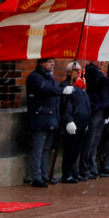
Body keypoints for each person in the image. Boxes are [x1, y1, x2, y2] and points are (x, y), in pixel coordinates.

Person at [26, 58, 73, 187]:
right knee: (38, 149)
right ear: (41, 63)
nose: (53, 64)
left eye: (53, 61)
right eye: (49, 62)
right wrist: (61, 91)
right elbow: (44, 89)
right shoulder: (34, 77)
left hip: (50, 119)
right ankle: (36, 176)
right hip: (39, 119)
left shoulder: (52, 78)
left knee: (46, 149)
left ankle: (45, 175)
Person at [82, 60, 109, 180]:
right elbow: (105, 81)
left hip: (102, 111)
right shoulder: (91, 71)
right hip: (95, 110)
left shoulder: (98, 72)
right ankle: (87, 168)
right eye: (99, 60)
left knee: (95, 142)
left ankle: (92, 168)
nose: (102, 63)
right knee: (91, 142)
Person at [61, 62, 91, 183]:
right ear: (69, 72)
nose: (79, 72)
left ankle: (73, 171)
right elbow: (66, 105)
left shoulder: (80, 84)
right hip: (74, 122)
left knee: (77, 150)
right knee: (70, 150)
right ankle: (67, 173)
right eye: (76, 70)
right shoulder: (65, 85)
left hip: (83, 122)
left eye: (80, 70)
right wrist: (69, 120)